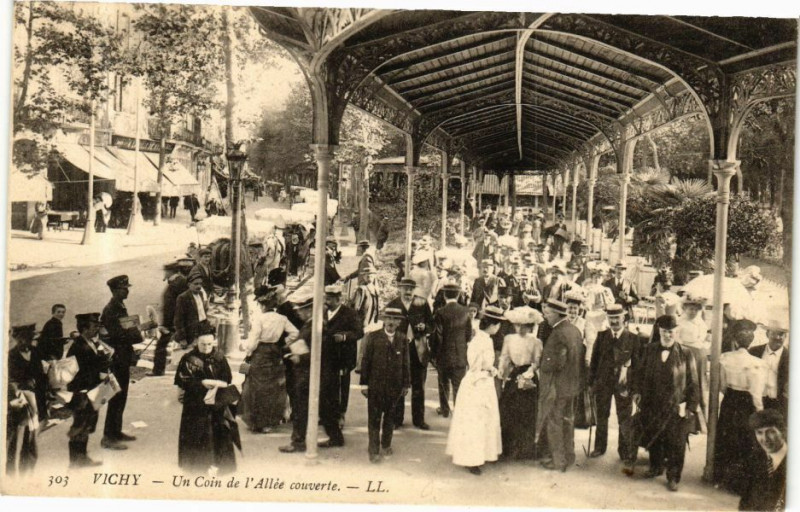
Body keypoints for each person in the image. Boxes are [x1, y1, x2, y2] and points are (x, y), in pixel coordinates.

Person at [631, 315, 699, 492]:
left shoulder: (686, 353)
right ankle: (656, 467)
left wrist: (691, 407)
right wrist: (637, 392)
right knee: (654, 437)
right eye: (664, 332)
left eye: (670, 332)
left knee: (676, 442)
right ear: (659, 332)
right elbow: (639, 374)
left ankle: (673, 476)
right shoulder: (649, 349)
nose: (667, 335)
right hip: (652, 404)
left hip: (676, 406)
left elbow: (694, 383)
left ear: (676, 332)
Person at [445, 305, 504, 475]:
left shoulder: (484, 338)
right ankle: (470, 459)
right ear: (492, 324)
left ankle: (481, 454)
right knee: (475, 420)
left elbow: (484, 363)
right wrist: (488, 370)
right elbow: (475, 365)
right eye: (498, 324)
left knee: (483, 419)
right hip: (477, 383)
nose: (498, 328)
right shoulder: (481, 340)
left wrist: (491, 369)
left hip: (483, 381)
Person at [175, 332, 239, 474]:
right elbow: (183, 380)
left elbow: (228, 378)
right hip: (195, 401)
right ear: (197, 343)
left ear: (213, 343)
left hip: (217, 400)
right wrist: (202, 383)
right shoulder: (188, 359)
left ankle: (223, 465)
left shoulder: (219, 357)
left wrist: (218, 383)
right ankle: (196, 466)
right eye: (203, 344)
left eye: (209, 344)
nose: (206, 347)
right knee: (197, 432)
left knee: (220, 430)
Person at [713, 323, 766, 495]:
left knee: (726, 437)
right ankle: (739, 483)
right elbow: (756, 393)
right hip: (746, 403)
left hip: (730, 400)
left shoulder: (725, 357)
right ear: (750, 343)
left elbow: (722, 386)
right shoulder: (757, 363)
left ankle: (720, 478)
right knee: (745, 441)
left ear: (735, 341)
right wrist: (760, 410)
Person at [239, 286, 299, 433]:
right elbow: (295, 333)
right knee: (273, 387)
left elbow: (253, 341)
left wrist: (246, 349)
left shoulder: (259, 319)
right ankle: (270, 422)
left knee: (257, 387)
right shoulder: (282, 319)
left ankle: (257, 422)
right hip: (275, 352)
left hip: (261, 353)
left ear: (263, 305)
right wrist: (284, 345)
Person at [588, 304, 638, 470]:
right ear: (608, 319)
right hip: (603, 383)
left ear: (624, 318)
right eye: (611, 318)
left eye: (617, 317)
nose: (615, 321)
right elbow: (594, 361)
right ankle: (599, 447)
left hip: (623, 385)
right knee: (602, 415)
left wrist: (635, 387)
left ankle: (624, 450)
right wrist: (591, 382)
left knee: (624, 417)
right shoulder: (602, 336)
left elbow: (637, 366)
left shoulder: (632, 338)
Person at [536, 299, 582, 472]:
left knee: (555, 422)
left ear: (556, 314)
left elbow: (555, 363)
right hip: (572, 385)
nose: (546, 317)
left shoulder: (558, 333)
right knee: (568, 422)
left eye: (548, 313)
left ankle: (558, 461)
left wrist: (542, 364)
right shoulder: (575, 330)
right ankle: (569, 457)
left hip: (558, 387)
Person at [360, 307, 411, 463]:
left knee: (390, 418)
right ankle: (373, 450)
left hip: (394, 387)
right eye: (388, 318)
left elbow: (406, 363)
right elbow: (366, 361)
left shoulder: (402, 339)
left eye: (394, 319)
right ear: (383, 320)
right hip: (375, 386)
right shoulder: (373, 337)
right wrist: (364, 384)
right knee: (374, 419)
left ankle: (386, 444)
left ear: (399, 322)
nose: (391, 322)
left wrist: (406, 385)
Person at [101, 275, 143, 450]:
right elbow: (121, 334)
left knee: (122, 396)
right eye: (124, 288)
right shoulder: (111, 310)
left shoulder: (119, 306)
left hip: (123, 357)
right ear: (115, 290)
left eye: (127, 288)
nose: (127, 290)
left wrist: (139, 330)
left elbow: (129, 327)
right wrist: (139, 331)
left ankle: (116, 431)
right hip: (117, 358)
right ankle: (108, 437)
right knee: (116, 397)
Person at [319, 285, 363, 447]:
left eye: (330, 298)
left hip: (343, 358)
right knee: (327, 387)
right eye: (326, 297)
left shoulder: (349, 313)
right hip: (326, 357)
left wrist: (344, 337)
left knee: (341, 388)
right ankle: (329, 416)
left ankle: (340, 415)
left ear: (339, 299)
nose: (327, 301)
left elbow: (359, 332)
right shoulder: (322, 312)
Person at [66, 313, 112, 468]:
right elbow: (73, 372)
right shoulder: (77, 346)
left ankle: (82, 457)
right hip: (82, 391)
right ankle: (75, 461)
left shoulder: (91, 342)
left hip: (93, 390)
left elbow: (98, 362)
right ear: (84, 328)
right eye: (94, 326)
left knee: (87, 424)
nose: (97, 329)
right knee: (79, 425)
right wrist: (97, 375)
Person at [498, 306, 544, 460]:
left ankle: (525, 449)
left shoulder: (536, 341)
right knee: (509, 411)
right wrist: (502, 372)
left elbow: (537, 361)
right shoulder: (509, 338)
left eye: (524, 326)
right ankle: (509, 448)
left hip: (528, 377)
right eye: (517, 325)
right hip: (514, 375)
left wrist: (529, 373)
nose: (520, 328)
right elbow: (504, 357)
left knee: (527, 413)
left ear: (530, 326)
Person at [430, 283, 473, 419]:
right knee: (458, 385)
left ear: (444, 295)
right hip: (460, 354)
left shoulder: (440, 312)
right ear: (459, 295)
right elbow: (468, 334)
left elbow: (437, 336)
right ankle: (459, 411)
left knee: (443, 384)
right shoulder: (466, 312)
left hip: (444, 355)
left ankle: (445, 410)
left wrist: (434, 355)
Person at [7, 324, 46, 474]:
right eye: (23, 339)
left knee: (31, 436)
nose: (27, 342)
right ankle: (10, 474)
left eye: (29, 339)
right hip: (18, 401)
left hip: (35, 400)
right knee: (13, 438)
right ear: (16, 339)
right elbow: (9, 380)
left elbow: (41, 375)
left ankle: (28, 472)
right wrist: (16, 394)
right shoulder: (11, 356)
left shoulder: (36, 352)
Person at [279, 293, 313, 454]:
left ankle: (298, 442)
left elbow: (317, 352)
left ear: (310, 310)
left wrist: (299, 357)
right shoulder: (308, 325)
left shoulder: (314, 327)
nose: (298, 313)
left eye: (301, 310)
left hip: (305, 373)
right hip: (303, 372)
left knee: (300, 408)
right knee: (301, 408)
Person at [738, 410, 787, 511]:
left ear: (783, 431)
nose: (765, 438)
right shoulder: (755, 460)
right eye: (759, 433)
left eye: (771, 432)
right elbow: (745, 502)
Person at [676, 296, 710, 417]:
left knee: (698, 384)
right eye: (690, 309)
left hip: (698, 355)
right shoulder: (679, 322)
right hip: (683, 353)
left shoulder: (700, 322)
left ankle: (698, 419)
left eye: (696, 309)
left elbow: (703, 338)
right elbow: (677, 338)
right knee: (684, 383)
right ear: (684, 308)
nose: (693, 312)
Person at [750, 318, 789, 418]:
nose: (777, 337)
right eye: (773, 333)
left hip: (779, 404)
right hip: (756, 402)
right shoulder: (754, 352)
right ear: (767, 334)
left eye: (781, 334)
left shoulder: (791, 357)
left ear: (786, 336)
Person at [174, 270, 210, 349]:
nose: (199, 286)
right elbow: (178, 320)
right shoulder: (183, 297)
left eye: (200, 283)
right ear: (189, 284)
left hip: (201, 330)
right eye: (196, 284)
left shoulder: (200, 294)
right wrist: (182, 339)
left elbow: (202, 314)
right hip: (190, 334)